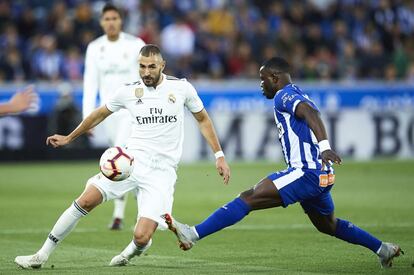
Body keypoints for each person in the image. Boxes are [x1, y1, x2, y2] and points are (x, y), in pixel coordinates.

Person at [162, 57, 403, 269]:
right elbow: (309, 113)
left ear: (275, 78)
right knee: (328, 225)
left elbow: (310, 113)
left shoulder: (283, 95)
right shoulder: (296, 92)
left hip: (305, 172)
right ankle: (383, 249)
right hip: (321, 175)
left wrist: (325, 147)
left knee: (248, 198)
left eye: (262, 78)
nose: (260, 84)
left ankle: (192, 234)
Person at [14, 44, 231, 269]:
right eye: (142, 67)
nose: (146, 72)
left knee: (142, 237)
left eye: (152, 67)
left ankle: (130, 252)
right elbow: (100, 113)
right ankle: (41, 255)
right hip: (130, 162)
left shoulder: (182, 88)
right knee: (85, 200)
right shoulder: (128, 91)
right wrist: (70, 137)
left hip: (162, 173)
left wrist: (219, 155)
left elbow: (203, 119)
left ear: (162, 66)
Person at [83, 3, 145, 230]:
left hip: (131, 111)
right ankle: (134, 212)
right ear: (101, 22)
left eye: (114, 18)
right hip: (107, 113)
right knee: (124, 160)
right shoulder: (94, 48)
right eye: (106, 19)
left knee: (121, 155)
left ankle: (124, 215)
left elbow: (146, 76)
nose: (110, 22)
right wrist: (86, 118)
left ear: (121, 21)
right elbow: (90, 84)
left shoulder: (135, 44)